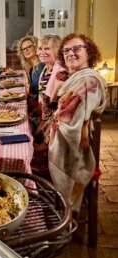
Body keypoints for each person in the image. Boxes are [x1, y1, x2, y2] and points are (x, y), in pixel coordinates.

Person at [48, 33, 107, 212]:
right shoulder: (72, 78)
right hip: (62, 140)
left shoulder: (88, 82)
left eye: (76, 49)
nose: (70, 53)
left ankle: (59, 212)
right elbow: (53, 104)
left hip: (70, 151)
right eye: (66, 50)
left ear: (88, 53)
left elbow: (65, 120)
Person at [31, 34, 62, 176]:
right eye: (40, 48)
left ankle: (43, 177)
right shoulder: (46, 68)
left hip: (55, 124)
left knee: (30, 141)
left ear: (56, 50)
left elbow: (55, 106)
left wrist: (41, 126)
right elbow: (42, 99)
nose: (42, 52)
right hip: (45, 118)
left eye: (47, 48)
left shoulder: (60, 71)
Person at [17, 36, 45, 128]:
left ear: (36, 46)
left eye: (29, 47)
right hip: (33, 104)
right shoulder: (31, 67)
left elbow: (41, 93)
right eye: (23, 49)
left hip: (39, 109)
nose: (26, 50)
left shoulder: (43, 66)